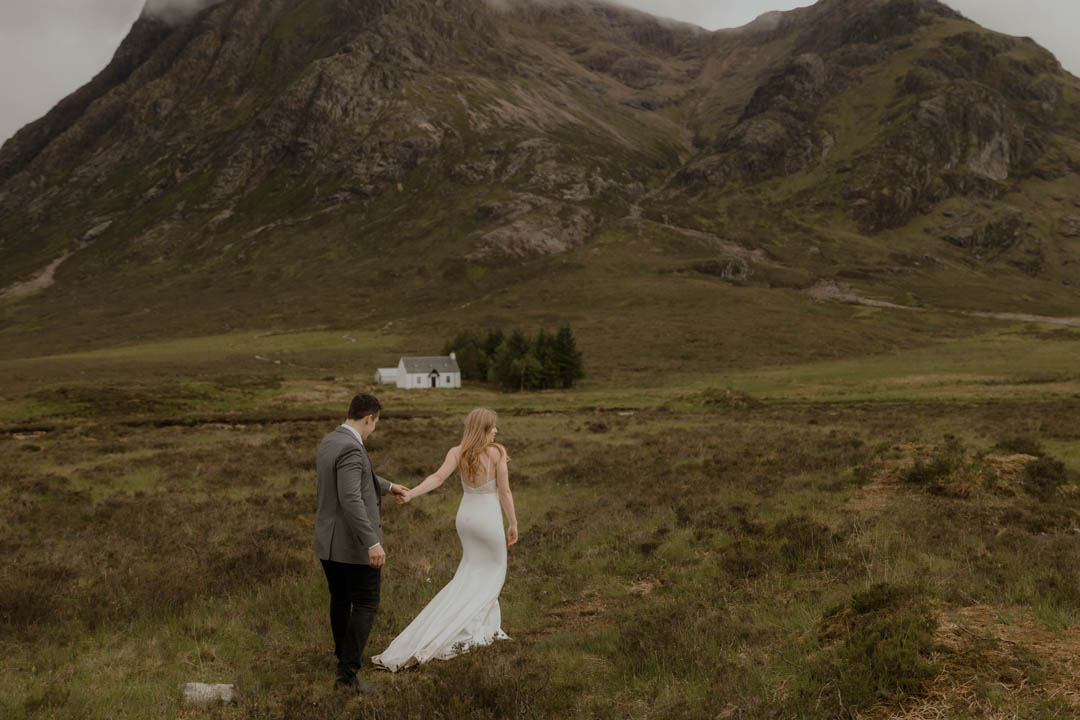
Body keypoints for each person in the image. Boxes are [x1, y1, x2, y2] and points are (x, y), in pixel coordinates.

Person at [372, 407, 519, 671]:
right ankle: (473, 628)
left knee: (469, 574)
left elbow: (438, 478)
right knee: (493, 574)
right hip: (487, 518)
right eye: (492, 426)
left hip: (465, 517)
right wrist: (513, 523)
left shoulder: (457, 451)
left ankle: (484, 624)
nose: (496, 430)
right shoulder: (497, 452)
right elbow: (505, 493)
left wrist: (412, 493)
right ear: (483, 428)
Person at [315, 393, 407, 693]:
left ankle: (343, 657)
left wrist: (389, 486)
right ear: (369, 418)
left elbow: (354, 479)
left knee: (340, 599)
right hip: (352, 545)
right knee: (367, 602)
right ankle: (347, 675)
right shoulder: (353, 449)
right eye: (375, 423)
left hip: (327, 544)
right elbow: (351, 497)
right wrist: (372, 542)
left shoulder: (330, 441)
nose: (374, 429)